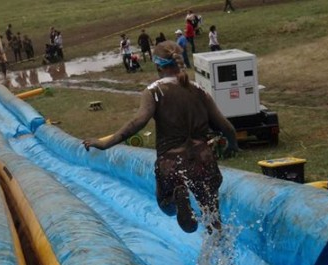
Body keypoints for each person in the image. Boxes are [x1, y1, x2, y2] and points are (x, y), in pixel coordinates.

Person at [83, 40, 238, 235]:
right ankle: (222, 258)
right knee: (213, 216)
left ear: (157, 66)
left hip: (172, 161)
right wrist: (232, 145)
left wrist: (106, 142)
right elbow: (226, 127)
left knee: (166, 205)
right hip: (203, 159)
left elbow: (138, 122)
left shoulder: (154, 91)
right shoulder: (199, 90)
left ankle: (177, 198)